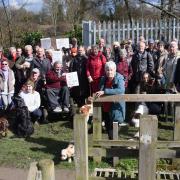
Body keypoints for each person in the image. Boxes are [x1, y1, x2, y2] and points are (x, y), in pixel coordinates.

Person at [95, 61, 125, 140]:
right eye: (107, 70)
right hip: (105, 107)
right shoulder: (103, 79)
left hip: (115, 108)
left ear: (115, 70)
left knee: (113, 130)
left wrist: (105, 91)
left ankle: (114, 148)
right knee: (108, 128)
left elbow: (121, 90)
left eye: (111, 70)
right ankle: (113, 147)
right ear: (105, 70)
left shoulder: (119, 78)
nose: (109, 72)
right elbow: (99, 90)